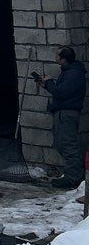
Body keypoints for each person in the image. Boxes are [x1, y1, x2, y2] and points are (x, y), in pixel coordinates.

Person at [32, 46, 87, 189]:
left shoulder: (74, 74)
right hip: (63, 113)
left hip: (67, 114)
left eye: (57, 55)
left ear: (63, 59)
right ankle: (73, 175)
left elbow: (61, 93)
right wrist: (46, 85)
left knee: (69, 145)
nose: (55, 57)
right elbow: (61, 92)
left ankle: (73, 178)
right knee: (62, 143)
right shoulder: (69, 72)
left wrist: (49, 82)